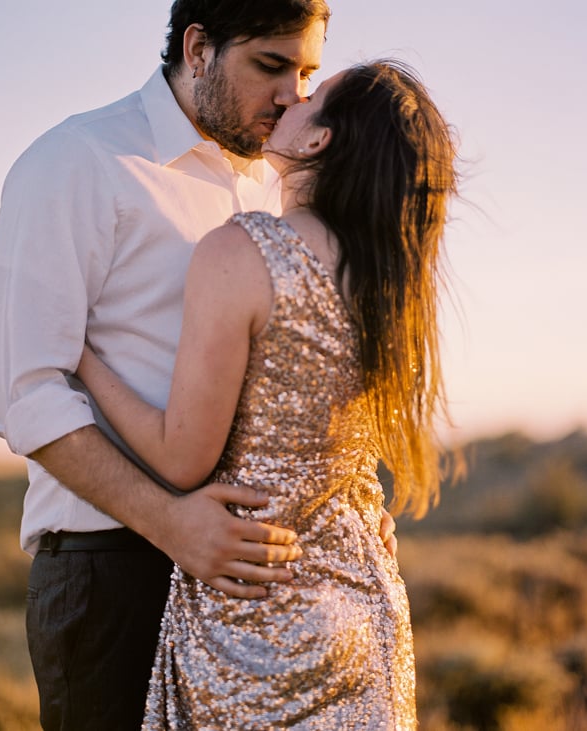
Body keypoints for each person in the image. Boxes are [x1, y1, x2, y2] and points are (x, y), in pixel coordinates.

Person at [0, 1, 398, 729]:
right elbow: (22, 392)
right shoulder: (77, 161)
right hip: (111, 563)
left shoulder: (282, 180)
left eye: (306, 72)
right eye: (269, 66)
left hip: (260, 589)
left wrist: (351, 504)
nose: (290, 96)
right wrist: (171, 525)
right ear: (198, 48)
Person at [76, 60, 459, 728]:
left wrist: (84, 355)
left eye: (312, 95)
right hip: (363, 609)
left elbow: (181, 459)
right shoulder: (384, 280)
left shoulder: (243, 251)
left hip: (255, 619)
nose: (291, 96)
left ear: (317, 141)